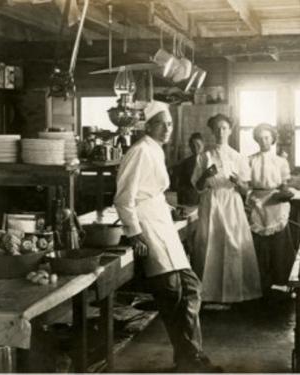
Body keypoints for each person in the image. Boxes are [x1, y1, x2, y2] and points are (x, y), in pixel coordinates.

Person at [113, 101, 221, 373]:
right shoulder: (138, 151)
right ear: (148, 126)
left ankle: (190, 355)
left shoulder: (156, 150)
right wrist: (134, 233)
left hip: (162, 222)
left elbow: (152, 192)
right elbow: (124, 198)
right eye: (161, 124)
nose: (167, 129)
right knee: (171, 290)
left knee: (191, 288)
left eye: (170, 124)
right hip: (147, 225)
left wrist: (170, 209)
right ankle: (188, 359)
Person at [190, 114, 262, 304]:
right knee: (210, 245)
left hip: (231, 202)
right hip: (211, 201)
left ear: (230, 131)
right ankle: (208, 294)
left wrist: (238, 182)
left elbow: (246, 189)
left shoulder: (238, 157)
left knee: (232, 244)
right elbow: (197, 187)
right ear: (212, 131)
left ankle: (234, 293)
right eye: (217, 128)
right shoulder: (204, 156)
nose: (220, 132)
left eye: (224, 128)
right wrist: (205, 175)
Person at [247, 123, 295, 294]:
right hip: (257, 202)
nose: (263, 141)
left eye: (266, 138)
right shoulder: (250, 160)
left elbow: (284, 185)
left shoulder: (280, 161)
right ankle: (261, 283)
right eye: (260, 138)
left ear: (272, 139)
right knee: (259, 245)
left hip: (275, 202)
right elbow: (247, 185)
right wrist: (250, 197)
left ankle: (282, 281)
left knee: (279, 244)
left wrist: (283, 193)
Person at [172, 132, 205, 206]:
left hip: (205, 197)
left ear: (203, 145)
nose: (195, 148)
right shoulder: (185, 163)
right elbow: (179, 184)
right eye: (193, 145)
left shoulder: (209, 159)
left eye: (198, 145)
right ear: (190, 146)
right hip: (190, 199)